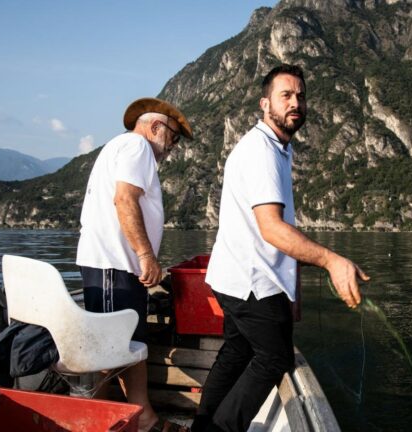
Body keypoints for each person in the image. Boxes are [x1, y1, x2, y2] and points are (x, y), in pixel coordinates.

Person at [193, 64, 370, 432]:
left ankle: (202, 425)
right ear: (264, 103)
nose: (296, 103)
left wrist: (294, 289)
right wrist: (331, 261)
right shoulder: (262, 151)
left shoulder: (275, 148)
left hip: (235, 277)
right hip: (253, 280)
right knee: (273, 360)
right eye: (286, 95)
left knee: (237, 352)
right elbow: (272, 229)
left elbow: (278, 229)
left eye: (301, 96)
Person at [76, 97, 192, 432]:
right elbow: (124, 199)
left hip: (116, 267)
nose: (172, 148)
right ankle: (92, 420)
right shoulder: (137, 147)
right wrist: (145, 255)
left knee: (129, 342)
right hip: (113, 264)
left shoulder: (122, 147)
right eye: (173, 138)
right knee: (110, 349)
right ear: (157, 127)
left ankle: (142, 417)